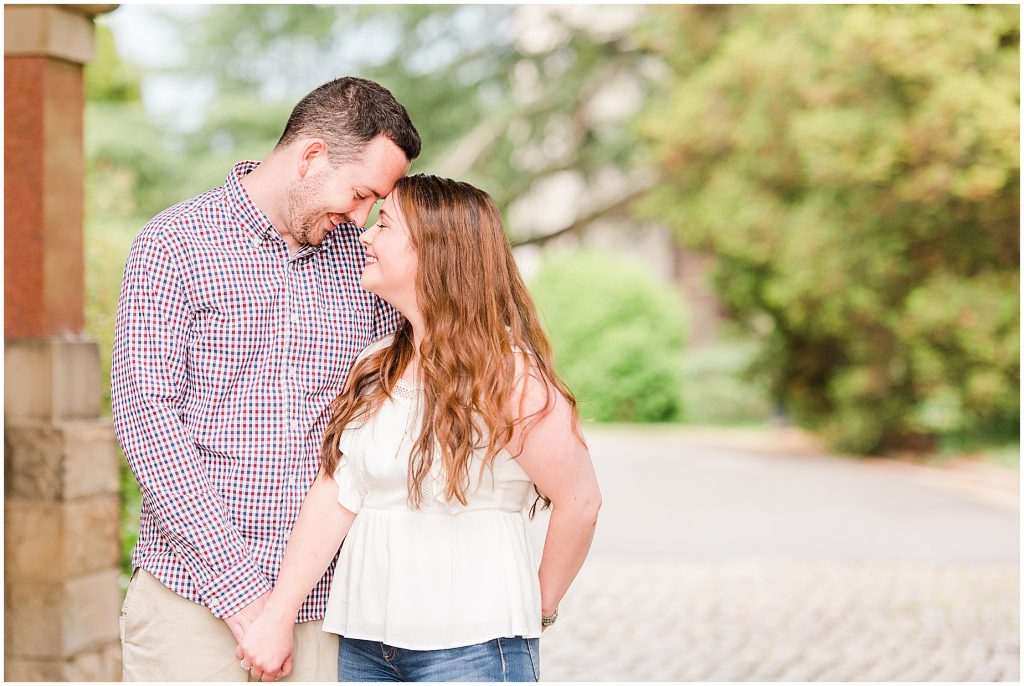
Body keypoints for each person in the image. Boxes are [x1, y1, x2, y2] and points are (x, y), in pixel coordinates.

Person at [110, 76, 421, 681]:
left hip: (333, 612)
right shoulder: (173, 244)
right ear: (311, 157)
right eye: (360, 194)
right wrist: (245, 600)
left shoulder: (367, 269)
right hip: (189, 609)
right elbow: (147, 421)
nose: (362, 218)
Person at [236, 174, 602, 682]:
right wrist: (278, 614)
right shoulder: (377, 363)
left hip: (473, 650)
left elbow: (580, 501)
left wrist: (536, 608)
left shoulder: (511, 378)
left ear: (435, 252)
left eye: (384, 224)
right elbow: (338, 493)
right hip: (365, 649)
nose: (364, 235)